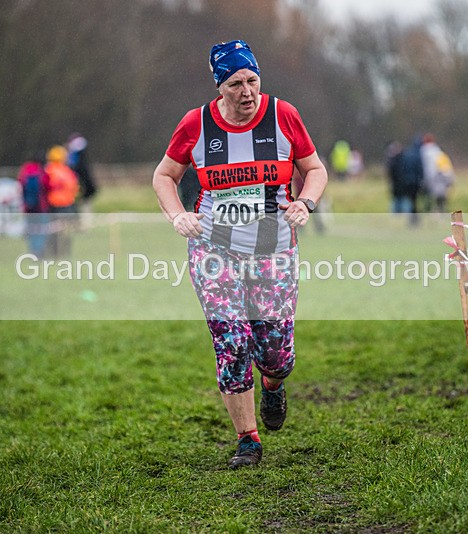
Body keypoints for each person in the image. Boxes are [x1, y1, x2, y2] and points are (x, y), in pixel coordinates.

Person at [152, 39, 328, 469]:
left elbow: (315, 169)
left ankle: (273, 384)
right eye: (235, 84)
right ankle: (247, 440)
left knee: (276, 354)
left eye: (252, 80)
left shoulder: (283, 115)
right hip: (213, 247)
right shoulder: (195, 124)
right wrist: (177, 215)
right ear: (219, 87)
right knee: (230, 340)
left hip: (273, 249)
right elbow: (164, 176)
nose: (246, 91)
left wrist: (305, 203)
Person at [44, 145, 79, 257]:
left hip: (51, 205)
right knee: (65, 232)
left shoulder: (48, 170)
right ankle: (64, 252)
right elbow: (74, 187)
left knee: (52, 231)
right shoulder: (67, 171)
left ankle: (53, 252)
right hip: (66, 205)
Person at [18, 151, 51, 258]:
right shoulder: (41, 171)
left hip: (28, 207)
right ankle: (39, 252)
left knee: (31, 230)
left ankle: (33, 252)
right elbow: (48, 186)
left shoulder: (24, 170)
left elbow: (20, 186)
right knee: (41, 230)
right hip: (41, 207)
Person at [420, 133, 455, 214]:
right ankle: (441, 215)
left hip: (425, 183)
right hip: (439, 184)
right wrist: (450, 182)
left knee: (427, 204)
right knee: (441, 204)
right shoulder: (439, 154)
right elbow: (447, 170)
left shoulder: (420, 154)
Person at [398, 136, 424, 226]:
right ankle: (414, 218)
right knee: (415, 200)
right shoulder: (418, 155)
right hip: (415, 182)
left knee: (410, 201)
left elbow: (402, 169)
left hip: (406, 182)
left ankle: (410, 218)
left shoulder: (406, 154)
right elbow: (420, 170)